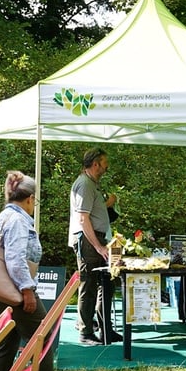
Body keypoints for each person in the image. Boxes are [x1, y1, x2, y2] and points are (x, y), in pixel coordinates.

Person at [0, 170, 74, 371]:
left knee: (7, 337)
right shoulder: (17, 220)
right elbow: (15, 259)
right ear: (29, 198)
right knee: (42, 334)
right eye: (35, 200)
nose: (34, 204)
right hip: (15, 289)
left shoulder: (5, 215)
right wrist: (27, 290)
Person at [69, 147, 122, 346]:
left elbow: (92, 210)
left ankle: (105, 329)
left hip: (99, 239)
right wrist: (99, 247)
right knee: (89, 285)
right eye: (104, 164)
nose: (106, 168)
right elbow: (83, 218)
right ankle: (86, 332)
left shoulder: (92, 184)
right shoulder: (84, 184)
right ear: (95, 163)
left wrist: (107, 204)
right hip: (89, 241)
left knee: (107, 284)